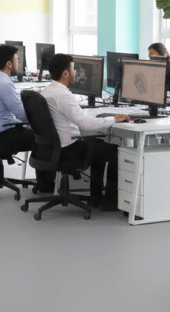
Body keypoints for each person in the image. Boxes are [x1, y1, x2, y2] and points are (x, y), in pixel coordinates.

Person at [39, 53, 130, 203]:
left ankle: (96, 196)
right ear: (66, 73)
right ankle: (110, 200)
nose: (75, 72)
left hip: (52, 149)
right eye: (73, 69)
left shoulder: (48, 91)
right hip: (67, 150)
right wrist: (113, 119)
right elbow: (85, 124)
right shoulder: (63, 95)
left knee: (98, 145)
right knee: (114, 150)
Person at [0, 44, 35, 155]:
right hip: (3, 134)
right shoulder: (5, 84)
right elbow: (21, 115)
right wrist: (41, 116)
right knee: (45, 138)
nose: (18, 63)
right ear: (9, 64)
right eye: (17, 60)